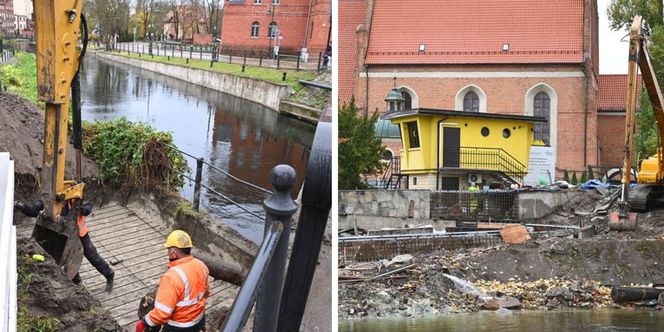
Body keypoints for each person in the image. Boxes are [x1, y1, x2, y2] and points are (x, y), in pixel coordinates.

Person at [137, 230, 210, 332]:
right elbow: (206, 293)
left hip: (179, 326)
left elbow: (162, 313)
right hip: (199, 320)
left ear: (173, 253)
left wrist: (144, 322)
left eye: (168, 250)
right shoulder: (201, 265)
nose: (168, 253)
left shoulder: (172, 277)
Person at [63, 200, 115, 292]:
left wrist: (83, 210)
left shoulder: (75, 195)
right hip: (65, 235)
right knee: (70, 260)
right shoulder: (54, 199)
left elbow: (87, 207)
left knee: (92, 255)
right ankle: (77, 284)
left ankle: (109, 274)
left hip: (81, 234)